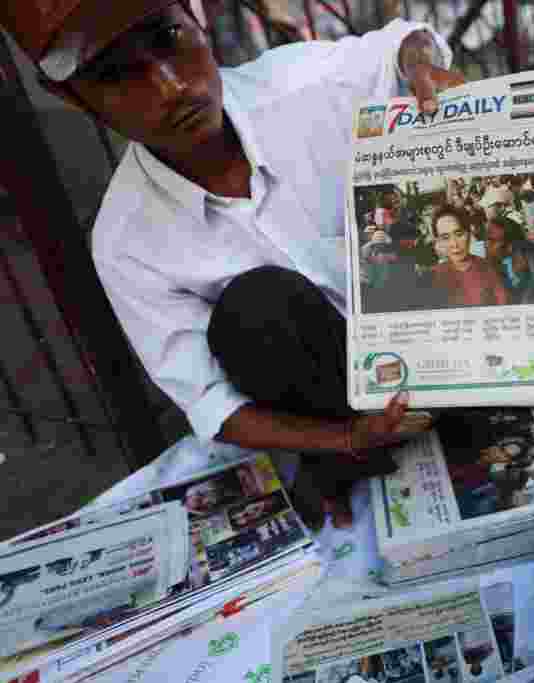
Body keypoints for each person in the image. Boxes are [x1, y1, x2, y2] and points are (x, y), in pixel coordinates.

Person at [0, 1, 468, 530]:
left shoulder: (301, 86)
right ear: (71, 97)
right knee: (256, 308)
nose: (171, 85)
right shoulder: (126, 240)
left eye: (168, 35)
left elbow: (403, 44)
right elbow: (214, 405)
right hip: (349, 413)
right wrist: (345, 440)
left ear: (196, 18)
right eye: (116, 72)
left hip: (450, 350)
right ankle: (350, 465)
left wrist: (422, 68)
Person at [430, 206, 510, 308]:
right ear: (439, 242)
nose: (454, 244)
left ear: (469, 233)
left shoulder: (490, 268)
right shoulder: (434, 276)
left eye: (459, 234)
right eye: (445, 238)